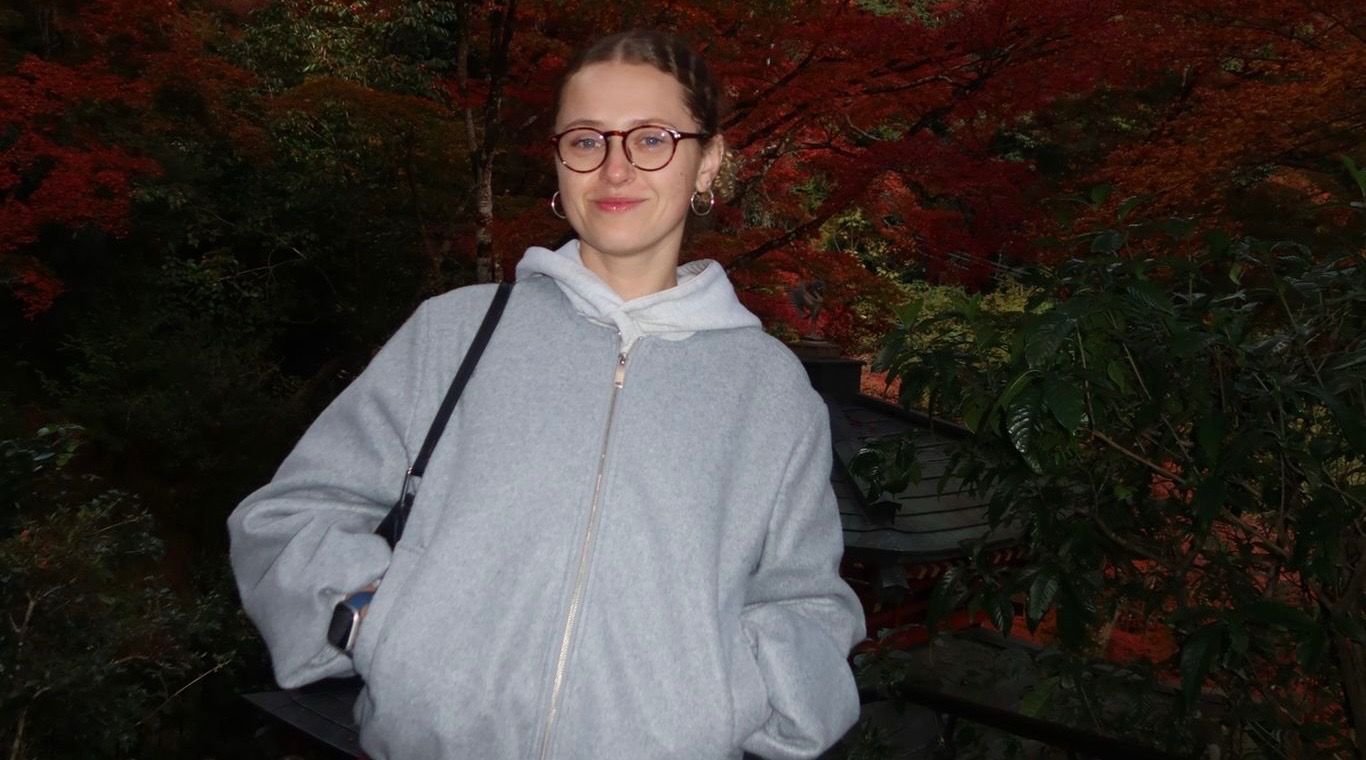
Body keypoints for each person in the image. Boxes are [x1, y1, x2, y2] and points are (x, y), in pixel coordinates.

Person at [228, 29, 865, 760]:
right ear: (559, 162)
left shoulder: (769, 389)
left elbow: (806, 601)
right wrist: (377, 624)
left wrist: (729, 697)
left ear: (708, 160)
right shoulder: (457, 333)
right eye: (587, 140)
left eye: (651, 139)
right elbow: (288, 518)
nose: (616, 168)